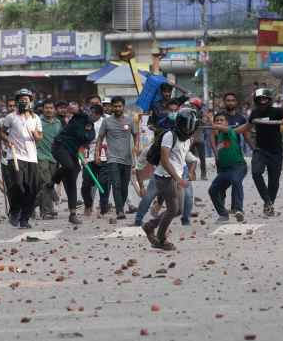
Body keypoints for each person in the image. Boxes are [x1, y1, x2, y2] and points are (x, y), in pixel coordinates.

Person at [142, 108, 199, 250]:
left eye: (190, 129)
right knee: (173, 209)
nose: (187, 131)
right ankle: (161, 239)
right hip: (164, 177)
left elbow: (184, 157)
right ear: (179, 124)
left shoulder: (187, 139)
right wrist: (178, 179)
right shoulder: (169, 135)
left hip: (176, 177)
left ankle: (150, 226)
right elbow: (165, 160)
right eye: (185, 128)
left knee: (178, 210)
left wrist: (191, 170)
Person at [1, 89, 43, 229]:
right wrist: (8, 140)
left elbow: (39, 138)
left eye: (26, 99)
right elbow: (2, 132)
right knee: (18, 185)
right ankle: (15, 210)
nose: (24, 102)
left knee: (32, 189)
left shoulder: (35, 118)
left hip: (32, 158)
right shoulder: (11, 117)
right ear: (17, 101)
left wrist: (35, 135)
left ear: (31, 102)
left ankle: (24, 219)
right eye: (21, 99)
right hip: (15, 156)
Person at [51, 105, 95, 225]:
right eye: (91, 113)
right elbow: (79, 112)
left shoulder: (91, 131)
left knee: (73, 176)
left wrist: (83, 153)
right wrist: (76, 110)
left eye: (95, 115)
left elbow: (86, 143)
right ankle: (53, 180)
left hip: (72, 153)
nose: (92, 116)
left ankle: (72, 214)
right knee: (70, 167)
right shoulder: (79, 118)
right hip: (59, 147)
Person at [249, 88, 283, 217]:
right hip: (260, 150)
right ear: (256, 101)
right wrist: (230, 131)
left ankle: (270, 204)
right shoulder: (254, 113)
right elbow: (246, 128)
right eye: (260, 99)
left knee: (274, 180)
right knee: (256, 173)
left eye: (265, 99)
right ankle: (267, 201)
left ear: (269, 100)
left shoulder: (277, 111)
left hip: (276, 151)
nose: (262, 101)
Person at [96, 96, 136, 220]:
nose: (117, 108)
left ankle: (121, 207)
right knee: (116, 184)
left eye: (120, 106)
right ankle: (120, 211)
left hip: (127, 158)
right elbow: (100, 138)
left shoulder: (130, 121)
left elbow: (136, 135)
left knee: (124, 186)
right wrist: (97, 154)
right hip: (112, 158)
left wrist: (137, 148)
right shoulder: (106, 122)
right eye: (115, 106)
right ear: (112, 107)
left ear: (123, 107)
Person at [208, 112, 248, 222]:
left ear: (227, 123)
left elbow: (225, 129)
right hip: (224, 170)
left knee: (235, 180)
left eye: (222, 120)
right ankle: (223, 214)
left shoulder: (230, 132)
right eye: (217, 121)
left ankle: (238, 209)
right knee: (213, 190)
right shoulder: (219, 136)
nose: (219, 122)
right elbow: (213, 136)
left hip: (238, 167)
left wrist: (216, 125)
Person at [35, 100, 62, 220]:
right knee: (47, 182)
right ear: (43, 109)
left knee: (47, 185)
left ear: (54, 110)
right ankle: (47, 210)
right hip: (40, 156)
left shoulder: (58, 123)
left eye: (51, 108)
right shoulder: (37, 122)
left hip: (54, 157)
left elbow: (60, 139)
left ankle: (31, 205)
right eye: (46, 108)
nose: (49, 110)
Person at [83, 104, 111, 216]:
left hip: (104, 155)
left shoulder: (106, 122)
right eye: (89, 112)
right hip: (88, 156)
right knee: (86, 183)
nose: (90, 114)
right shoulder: (84, 123)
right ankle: (88, 205)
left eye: (92, 113)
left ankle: (104, 208)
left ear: (98, 114)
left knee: (104, 183)